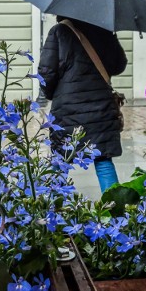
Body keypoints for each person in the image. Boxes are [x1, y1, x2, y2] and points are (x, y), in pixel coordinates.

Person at [38, 16, 127, 193]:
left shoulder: (58, 31)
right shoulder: (103, 30)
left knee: (59, 161)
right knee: (103, 160)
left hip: (67, 110)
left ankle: (51, 210)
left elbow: (46, 72)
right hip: (101, 109)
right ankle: (116, 214)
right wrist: (111, 36)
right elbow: (118, 66)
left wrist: (50, 94)